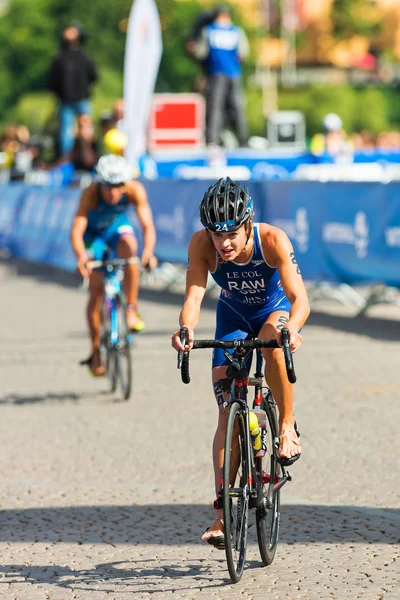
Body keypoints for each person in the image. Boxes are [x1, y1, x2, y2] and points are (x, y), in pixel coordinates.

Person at [171, 177, 310, 546]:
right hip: (231, 317)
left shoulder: (273, 240)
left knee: (273, 345)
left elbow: (300, 299)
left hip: (273, 311)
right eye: (217, 235)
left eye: (232, 232)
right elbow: (195, 296)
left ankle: (287, 426)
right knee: (226, 413)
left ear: (248, 223)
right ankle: (221, 514)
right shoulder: (202, 245)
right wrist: (185, 330)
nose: (225, 242)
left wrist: (292, 328)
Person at [71, 154, 157, 376]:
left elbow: (147, 225)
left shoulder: (134, 190)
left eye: (118, 186)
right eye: (108, 186)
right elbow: (77, 229)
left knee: (131, 252)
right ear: (100, 183)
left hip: (117, 229)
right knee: (96, 292)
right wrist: (81, 257)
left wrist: (148, 253)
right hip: (94, 237)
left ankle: (131, 309)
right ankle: (95, 351)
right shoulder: (90, 193)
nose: (112, 192)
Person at [193, 5, 249, 147]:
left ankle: (212, 139)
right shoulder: (236, 31)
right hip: (234, 73)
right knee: (237, 106)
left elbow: (201, 52)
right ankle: (242, 139)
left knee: (215, 107)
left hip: (216, 73)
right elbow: (243, 54)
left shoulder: (209, 31)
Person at [48, 23, 98, 157]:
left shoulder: (69, 58)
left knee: (79, 128)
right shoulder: (67, 58)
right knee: (70, 129)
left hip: (75, 98)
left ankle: (86, 155)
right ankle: (68, 157)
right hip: (70, 99)